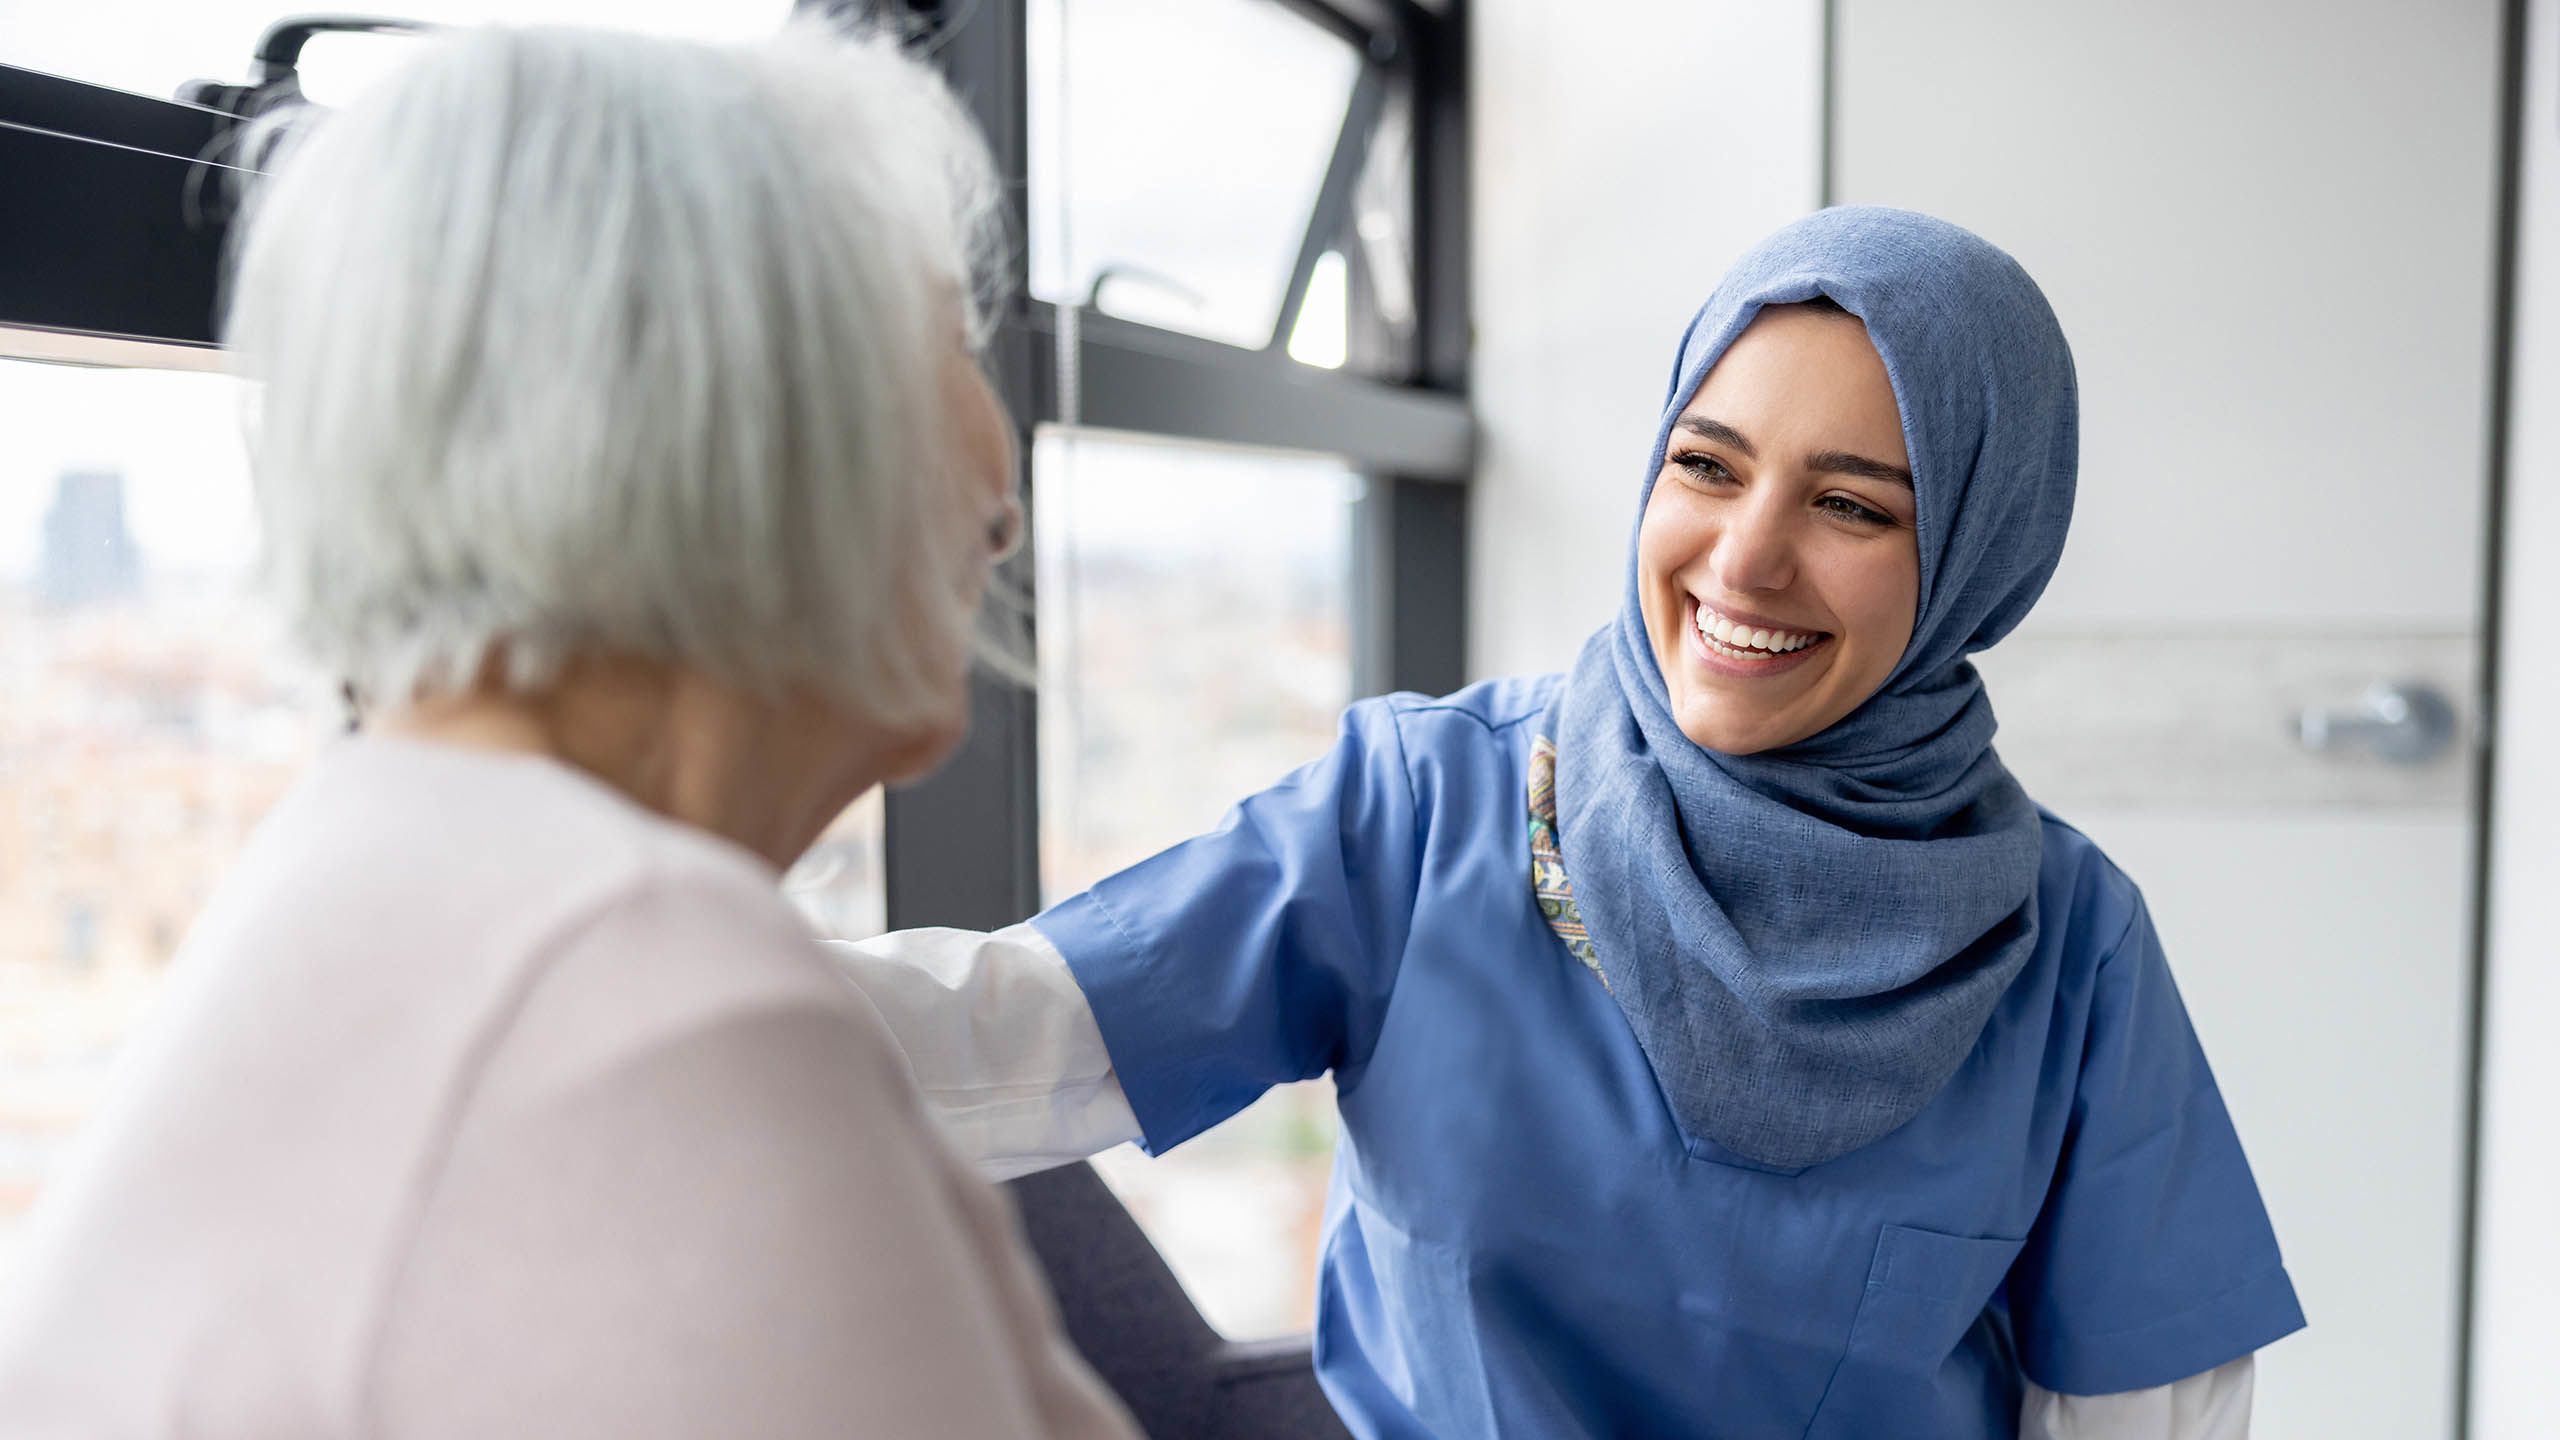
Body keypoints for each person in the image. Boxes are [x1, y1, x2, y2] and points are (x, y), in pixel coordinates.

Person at [841, 207, 2306, 1437]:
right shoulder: (1426, 813)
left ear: (1987, 551)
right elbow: (1009, 1036)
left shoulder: (2067, 945)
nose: (1744, 560)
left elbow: (2150, 1411)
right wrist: (643, 960)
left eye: (1853, 506)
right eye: (1706, 465)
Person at [0, 24, 1135, 1440]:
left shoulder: (420, 871)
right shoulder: (640, 989)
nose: (1002, 491)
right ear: (752, 424)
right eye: (946, 350)